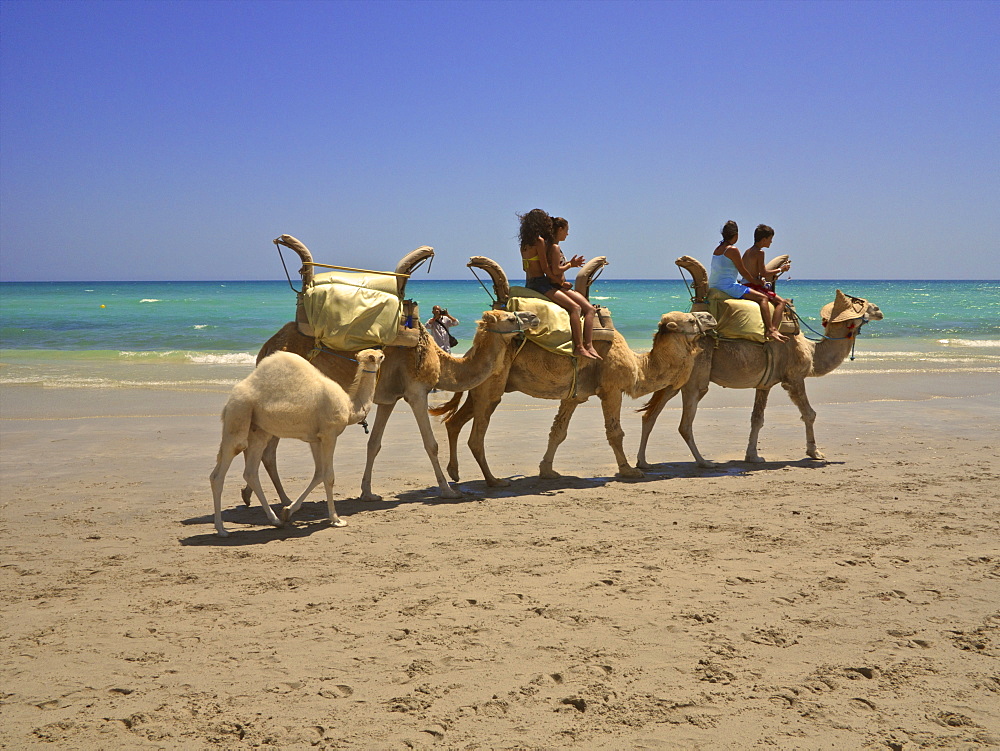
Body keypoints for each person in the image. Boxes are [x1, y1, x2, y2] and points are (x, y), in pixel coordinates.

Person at [519, 209, 601, 360]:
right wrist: (560, 282)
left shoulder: (524, 244)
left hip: (529, 283)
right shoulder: (539, 242)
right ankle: (580, 347)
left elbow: (527, 267)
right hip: (540, 284)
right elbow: (546, 269)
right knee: (575, 307)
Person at [708, 220, 788, 342]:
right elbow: (743, 271)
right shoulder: (732, 249)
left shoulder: (718, 249)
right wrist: (756, 282)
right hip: (728, 286)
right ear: (736, 235)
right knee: (763, 298)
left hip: (714, 284)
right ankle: (771, 330)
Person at [741, 224, 791, 298]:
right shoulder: (760, 252)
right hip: (753, 286)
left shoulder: (747, 251)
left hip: (744, 284)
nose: (771, 241)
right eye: (770, 238)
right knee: (782, 302)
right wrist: (781, 269)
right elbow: (763, 273)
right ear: (764, 240)